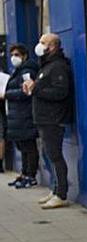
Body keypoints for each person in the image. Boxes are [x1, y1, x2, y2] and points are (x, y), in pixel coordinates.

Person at [22, 33, 73, 209]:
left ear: (52, 46)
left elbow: (60, 92)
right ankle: (55, 188)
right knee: (50, 155)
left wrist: (36, 89)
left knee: (55, 156)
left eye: (43, 42)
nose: (39, 45)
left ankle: (61, 194)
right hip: (44, 118)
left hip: (53, 119)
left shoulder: (57, 66)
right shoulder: (46, 65)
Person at [4, 44, 40, 189]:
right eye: (12, 54)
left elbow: (26, 92)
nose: (14, 58)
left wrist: (6, 94)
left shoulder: (28, 71)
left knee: (29, 146)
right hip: (17, 115)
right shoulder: (17, 71)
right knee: (22, 146)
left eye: (17, 54)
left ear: (24, 55)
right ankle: (24, 173)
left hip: (25, 114)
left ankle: (31, 176)